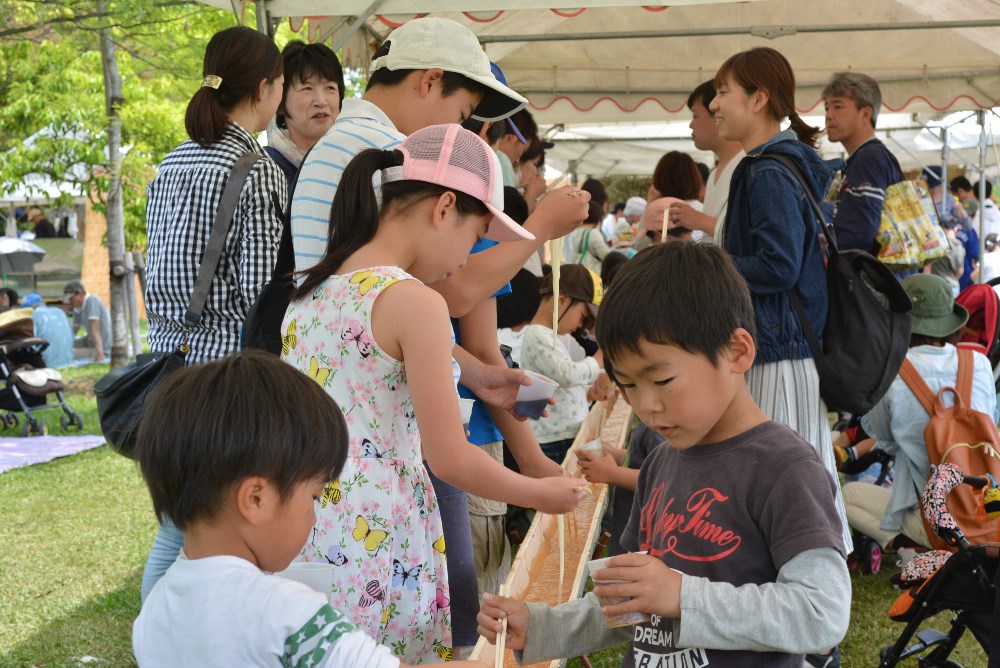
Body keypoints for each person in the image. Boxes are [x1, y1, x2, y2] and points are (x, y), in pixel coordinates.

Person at [282, 124, 586, 663]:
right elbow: (448, 456)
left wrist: (476, 375)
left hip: (311, 532)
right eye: (473, 242)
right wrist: (540, 493)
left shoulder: (312, 290)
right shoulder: (416, 302)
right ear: (444, 207)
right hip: (381, 536)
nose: (464, 265)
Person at [478, 241, 850, 666]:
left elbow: (823, 611)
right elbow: (631, 599)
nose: (646, 406)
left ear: (736, 352)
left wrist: (681, 595)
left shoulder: (784, 469)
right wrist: (545, 626)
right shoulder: (658, 463)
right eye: (630, 385)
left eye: (663, 379)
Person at [131, 350, 489, 668]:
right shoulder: (285, 613)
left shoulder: (154, 611)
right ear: (255, 499)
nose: (315, 515)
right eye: (314, 496)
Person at [290, 17, 588, 319]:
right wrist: (543, 224)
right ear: (430, 81)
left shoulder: (330, 145)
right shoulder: (396, 156)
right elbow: (455, 291)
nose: (460, 132)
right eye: (461, 116)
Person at [141, 26, 286, 601]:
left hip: (167, 363)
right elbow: (257, 293)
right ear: (266, 89)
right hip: (227, 375)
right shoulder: (255, 168)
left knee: (185, 523)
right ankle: (158, 643)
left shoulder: (171, 163)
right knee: (191, 532)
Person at [708, 48, 851, 562]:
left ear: (760, 97)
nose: (716, 103)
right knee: (797, 473)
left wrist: (710, 265)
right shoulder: (768, 165)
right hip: (780, 348)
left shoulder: (768, 170)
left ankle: (813, 600)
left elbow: (779, 264)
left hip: (781, 350)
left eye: (724, 92)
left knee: (790, 477)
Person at [843, 274, 997, 551]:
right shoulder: (979, 363)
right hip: (990, 512)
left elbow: (883, 438)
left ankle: (913, 545)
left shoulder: (892, 371)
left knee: (847, 496)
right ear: (950, 322)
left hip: (939, 522)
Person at [519, 264, 614, 463]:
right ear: (562, 300)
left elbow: (559, 386)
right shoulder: (537, 335)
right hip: (555, 439)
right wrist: (597, 360)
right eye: (582, 317)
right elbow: (567, 375)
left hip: (563, 434)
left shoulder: (553, 336)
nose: (580, 325)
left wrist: (588, 394)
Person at [822, 72, 904, 254]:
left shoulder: (869, 159)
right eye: (827, 108)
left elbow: (859, 232)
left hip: (872, 277)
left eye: (837, 106)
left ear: (866, 113)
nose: (828, 115)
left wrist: (828, 246)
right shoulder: (872, 156)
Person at [666, 80, 746, 241]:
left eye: (695, 115)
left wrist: (700, 220)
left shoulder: (749, 166)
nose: (691, 125)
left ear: (718, 113)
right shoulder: (715, 174)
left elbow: (750, 237)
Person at [265, 40, 345, 182]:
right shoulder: (266, 169)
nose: (321, 101)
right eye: (307, 88)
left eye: (330, 88)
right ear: (280, 104)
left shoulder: (349, 163)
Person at [646, 151, 705, 241]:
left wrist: (650, 203)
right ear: (695, 178)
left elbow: (642, 243)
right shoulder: (704, 210)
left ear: (660, 178)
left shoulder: (660, 211)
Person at [62, 280, 110, 363]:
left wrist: (100, 354)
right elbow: (73, 332)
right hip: (91, 341)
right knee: (63, 346)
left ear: (80, 294)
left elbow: (95, 329)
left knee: (66, 354)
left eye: (71, 298)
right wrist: (64, 314)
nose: (69, 301)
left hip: (103, 347)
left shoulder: (92, 300)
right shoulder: (78, 308)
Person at [22, 293, 74, 368]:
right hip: (68, 362)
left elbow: (30, 344)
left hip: (48, 365)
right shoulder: (60, 312)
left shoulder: (33, 315)